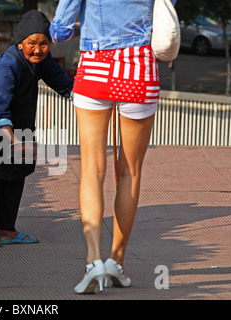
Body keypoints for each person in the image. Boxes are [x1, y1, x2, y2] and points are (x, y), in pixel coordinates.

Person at [50, 0, 177, 294]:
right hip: (138, 69)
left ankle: (93, 259)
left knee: (92, 169)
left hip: (95, 67)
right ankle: (116, 261)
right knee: (129, 172)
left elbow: (61, 31)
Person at [0, 10, 73, 247]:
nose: (38, 49)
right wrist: (12, 140)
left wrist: (98, 100)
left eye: (43, 43)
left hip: (18, 132)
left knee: (15, 176)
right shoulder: (7, 65)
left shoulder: (42, 62)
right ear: (20, 42)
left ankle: (6, 230)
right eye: (31, 43)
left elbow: (67, 87)